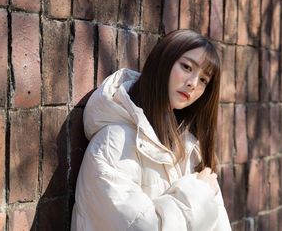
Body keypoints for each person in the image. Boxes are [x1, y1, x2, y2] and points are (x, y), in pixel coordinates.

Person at [71, 29, 232, 231]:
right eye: (187, 66)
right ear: (162, 61)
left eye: (203, 80)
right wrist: (198, 194)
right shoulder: (114, 142)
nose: (192, 83)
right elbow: (138, 226)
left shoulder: (189, 149)